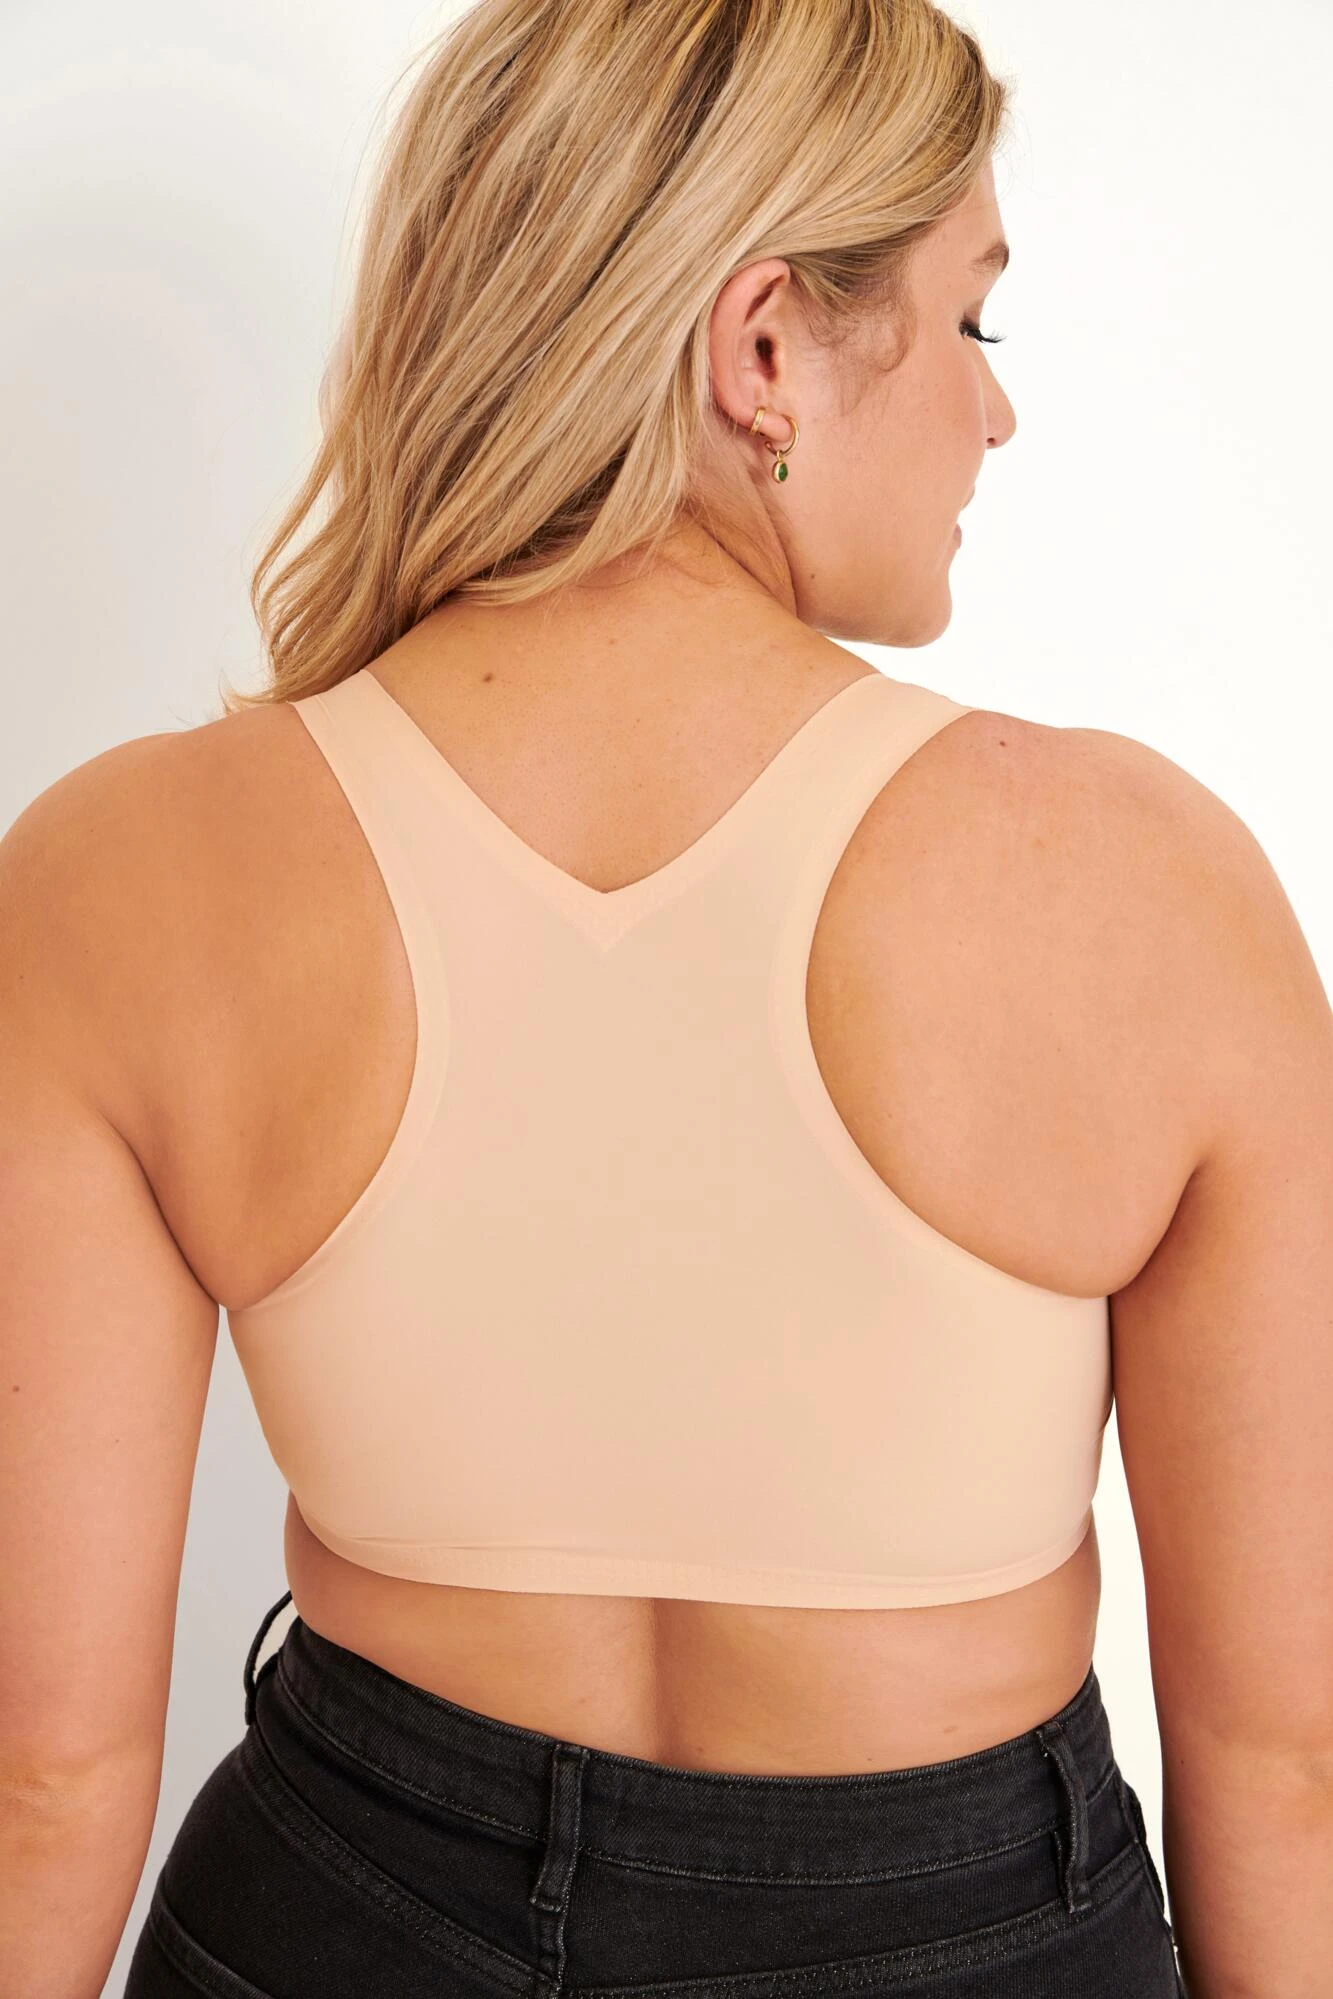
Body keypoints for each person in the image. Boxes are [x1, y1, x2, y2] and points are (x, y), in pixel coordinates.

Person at [2, 2, 1329, 1995]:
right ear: (763, 346)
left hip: (338, 1918)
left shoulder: (123, 873)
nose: (994, 413)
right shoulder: (1143, 889)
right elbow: (1288, 1761)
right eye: (973, 319)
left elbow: (40, 1777)